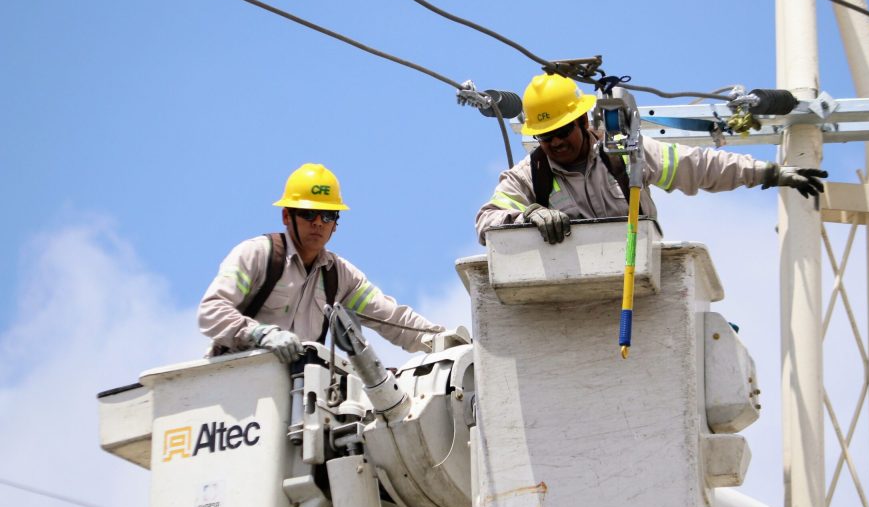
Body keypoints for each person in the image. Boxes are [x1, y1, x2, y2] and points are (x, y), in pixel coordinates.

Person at [475, 73, 827, 245]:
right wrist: (528, 215)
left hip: (636, 278)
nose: (555, 143)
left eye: (563, 131)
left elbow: (700, 167)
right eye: (545, 136)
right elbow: (486, 222)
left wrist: (770, 173)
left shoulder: (624, 156)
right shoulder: (530, 175)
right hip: (571, 294)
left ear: (583, 122)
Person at [198, 163, 444, 363]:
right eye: (308, 214)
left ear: (336, 222)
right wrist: (260, 334)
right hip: (235, 385)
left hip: (293, 398)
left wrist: (441, 340)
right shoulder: (258, 254)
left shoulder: (339, 277)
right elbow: (212, 312)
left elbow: (392, 319)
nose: (318, 223)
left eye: (327, 215)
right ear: (286, 216)